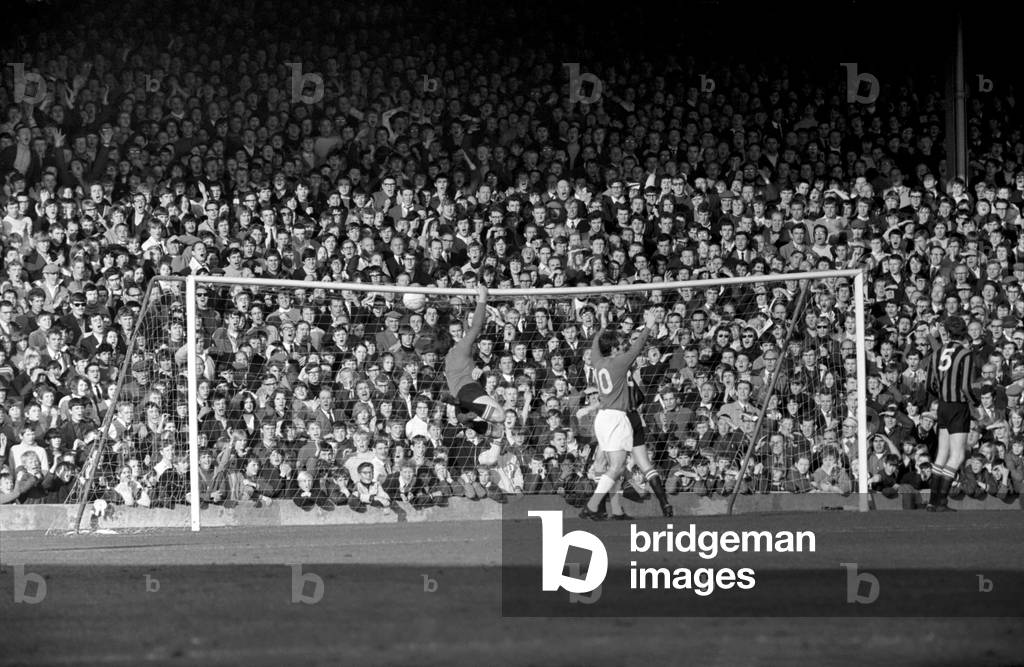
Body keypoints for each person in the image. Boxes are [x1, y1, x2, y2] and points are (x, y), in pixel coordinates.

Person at [580, 307, 659, 520]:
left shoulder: (597, 361)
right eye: (618, 345)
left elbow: (596, 342)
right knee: (616, 466)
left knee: (616, 465)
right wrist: (649, 325)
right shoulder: (619, 362)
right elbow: (637, 347)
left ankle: (615, 510)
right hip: (616, 418)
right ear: (614, 349)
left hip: (603, 418)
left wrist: (603, 325)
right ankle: (592, 505)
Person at [926, 316, 979, 511]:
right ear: (963, 332)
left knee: (941, 454)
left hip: (943, 406)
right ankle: (941, 501)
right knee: (956, 456)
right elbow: (966, 386)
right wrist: (977, 403)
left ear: (947, 332)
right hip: (958, 407)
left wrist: (941, 395)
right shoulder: (965, 353)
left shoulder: (938, 352)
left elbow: (929, 384)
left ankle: (932, 501)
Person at [442, 284, 504, 439]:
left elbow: (471, 368)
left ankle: (466, 417)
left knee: (497, 432)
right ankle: (466, 407)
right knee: (500, 416)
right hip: (469, 392)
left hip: (461, 398)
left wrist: (482, 370)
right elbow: (476, 325)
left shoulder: (447, 359)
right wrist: (482, 298)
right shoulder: (462, 347)